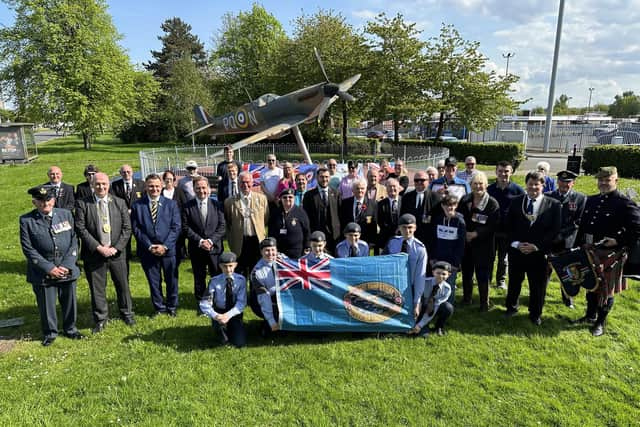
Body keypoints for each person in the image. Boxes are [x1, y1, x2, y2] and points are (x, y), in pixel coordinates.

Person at [573, 166, 640, 336]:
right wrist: (577, 246)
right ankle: (589, 315)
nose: (603, 183)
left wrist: (618, 240)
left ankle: (600, 323)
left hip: (611, 254)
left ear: (615, 181)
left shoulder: (624, 203)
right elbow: (583, 226)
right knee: (590, 284)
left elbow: (637, 228)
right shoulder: (592, 200)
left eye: (607, 180)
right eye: (600, 180)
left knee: (605, 290)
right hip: (590, 250)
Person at [20, 185, 84, 346]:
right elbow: (28, 249)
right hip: (43, 271)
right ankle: (50, 333)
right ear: (34, 202)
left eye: (48, 200)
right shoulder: (27, 220)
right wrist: (49, 268)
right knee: (46, 305)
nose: (45, 204)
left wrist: (68, 264)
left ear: (53, 200)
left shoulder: (66, 214)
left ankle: (71, 329)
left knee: (69, 301)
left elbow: (74, 240)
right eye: (41, 201)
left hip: (66, 267)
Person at [75, 172, 135, 333]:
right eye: (98, 184)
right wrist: (99, 247)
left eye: (104, 184)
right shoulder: (82, 203)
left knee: (123, 285)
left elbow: (127, 228)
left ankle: (127, 313)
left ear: (109, 184)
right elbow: (80, 228)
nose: (101, 187)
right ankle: (101, 318)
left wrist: (116, 248)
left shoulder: (119, 202)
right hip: (94, 254)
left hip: (117, 253)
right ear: (92, 185)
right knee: (97, 288)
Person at [504, 171, 561, 325]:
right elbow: (508, 226)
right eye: (530, 184)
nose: (533, 187)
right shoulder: (516, 202)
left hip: (539, 254)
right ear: (526, 184)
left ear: (543, 186)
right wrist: (516, 244)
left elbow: (554, 230)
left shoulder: (553, 205)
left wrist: (537, 246)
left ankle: (535, 313)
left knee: (538, 285)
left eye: (537, 184)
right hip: (518, 251)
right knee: (514, 281)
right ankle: (511, 307)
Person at [131, 174, 182, 317]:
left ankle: (172, 307)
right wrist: (149, 246)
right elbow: (136, 229)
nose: (154, 189)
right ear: (146, 187)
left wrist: (164, 246)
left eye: (157, 186)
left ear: (162, 187)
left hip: (168, 250)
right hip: (148, 251)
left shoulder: (171, 204)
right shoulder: (137, 205)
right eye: (151, 186)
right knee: (154, 281)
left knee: (171, 279)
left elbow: (176, 227)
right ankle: (159, 308)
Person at [458, 172, 500, 310]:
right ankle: (466, 299)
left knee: (482, 274)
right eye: (475, 183)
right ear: (471, 185)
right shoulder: (465, 200)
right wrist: (465, 233)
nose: (478, 186)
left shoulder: (492, 203)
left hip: (484, 245)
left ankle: (484, 303)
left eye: (481, 183)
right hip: (467, 244)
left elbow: (493, 225)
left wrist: (476, 233)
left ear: (486, 185)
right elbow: (459, 218)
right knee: (467, 273)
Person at [546, 170, 586, 309]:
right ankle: (541, 294)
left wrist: (562, 234)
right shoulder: (548, 196)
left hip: (568, 241)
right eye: (562, 181)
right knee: (546, 269)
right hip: (550, 241)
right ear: (557, 182)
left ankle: (568, 298)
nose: (564, 184)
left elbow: (579, 221)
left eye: (568, 182)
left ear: (573, 183)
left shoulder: (580, 198)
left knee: (569, 272)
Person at [182, 176, 226, 302]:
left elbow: (222, 226)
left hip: (215, 248)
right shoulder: (187, 207)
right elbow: (185, 227)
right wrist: (200, 241)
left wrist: (211, 241)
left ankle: (217, 300)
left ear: (209, 189)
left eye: (204, 187)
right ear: (194, 189)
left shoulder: (218, 205)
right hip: (197, 248)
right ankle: (202, 302)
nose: (201, 190)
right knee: (199, 277)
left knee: (216, 275)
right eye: (198, 188)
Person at [487, 160, 525, 289]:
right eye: (500, 171)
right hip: (491, 230)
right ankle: (487, 280)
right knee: (490, 257)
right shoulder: (489, 190)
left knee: (504, 259)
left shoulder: (518, 191)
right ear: (496, 172)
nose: (503, 174)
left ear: (512, 172)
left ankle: (501, 281)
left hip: (508, 231)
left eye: (506, 171)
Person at [383, 213, 427, 320]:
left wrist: (417, 302)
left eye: (410, 227)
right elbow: (382, 264)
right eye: (404, 228)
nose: (407, 231)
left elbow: (420, 276)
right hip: (391, 285)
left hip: (409, 287)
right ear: (399, 228)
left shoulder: (420, 248)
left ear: (415, 228)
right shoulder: (392, 243)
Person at [224, 171, 269, 277]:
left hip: (256, 240)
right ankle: (241, 293)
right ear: (238, 183)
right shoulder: (229, 202)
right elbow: (228, 221)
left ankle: (255, 293)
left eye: (248, 182)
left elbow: (265, 218)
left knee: (257, 272)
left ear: (252, 182)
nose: (245, 185)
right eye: (242, 182)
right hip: (240, 241)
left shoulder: (262, 199)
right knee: (240, 272)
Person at [199, 252, 247, 348]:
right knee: (223, 340)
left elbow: (241, 303)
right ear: (220, 266)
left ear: (235, 265)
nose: (228, 269)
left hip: (234, 312)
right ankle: (220, 330)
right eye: (225, 266)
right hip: (219, 312)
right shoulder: (214, 281)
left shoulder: (241, 280)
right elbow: (204, 303)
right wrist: (216, 316)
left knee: (239, 342)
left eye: (230, 266)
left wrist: (228, 315)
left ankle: (234, 328)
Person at [428, 194, 466, 305]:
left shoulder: (460, 222)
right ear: (442, 206)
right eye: (447, 205)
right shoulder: (438, 219)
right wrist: (432, 257)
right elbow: (433, 240)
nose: (450, 208)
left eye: (453, 205)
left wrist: (456, 263)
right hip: (438, 259)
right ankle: (434, 307)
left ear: (456, 206)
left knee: (449, 285)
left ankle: (447, 308)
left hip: (451, 262)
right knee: (436, 284)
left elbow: (461, 245)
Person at [408, 261, 454, 337]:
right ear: (433, 272)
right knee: (421, 335)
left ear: (449, 275)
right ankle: (417, 325)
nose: (440, 276)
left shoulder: (447, 289)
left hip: (431, 310)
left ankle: (438, 327)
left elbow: (435, 307)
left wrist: (420, 325)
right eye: (438, 273)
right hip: (419, 309)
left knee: (448, 307)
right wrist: (415, 322)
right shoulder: (424, 282)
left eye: (444, 274)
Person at [302, 167, 341, 255]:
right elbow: (306, 218)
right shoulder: (309, 195)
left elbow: (341, 214)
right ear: (317, 178)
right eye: (322, 177)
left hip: (334, 236)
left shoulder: (336, 194)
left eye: (326, 177)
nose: (324, 179)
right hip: (316, 235)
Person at [249, 238, 281, 336]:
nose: (270, 253)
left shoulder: (284, 261)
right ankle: (268, 325)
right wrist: (272, 321)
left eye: (273, 250)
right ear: (261, 252)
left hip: (279, 296)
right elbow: (264, 297)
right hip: (262, 300)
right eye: (267, 250)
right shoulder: (256, 272)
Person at [268, 188, 310, 259]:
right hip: (279, 253)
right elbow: (270, 232)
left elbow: (307, 231)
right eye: (285, 197)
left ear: (294, 198)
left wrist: (307, 247)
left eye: (290, 197)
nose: (288, 199)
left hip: (297, 252)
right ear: (281, 199)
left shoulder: (301, 212)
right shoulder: (275, 213)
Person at [339, 178, 378, 252]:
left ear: (365, 189)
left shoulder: (373, 204)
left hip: (366, 244)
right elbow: (342, 223)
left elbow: (374, 227)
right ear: (352, 190)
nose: (360, 191)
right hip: (348, 243)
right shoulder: (345, 203)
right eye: (357, 188)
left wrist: (372, 245)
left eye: (362, 188)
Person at [400, 170, 438, 246]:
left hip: (429, 237)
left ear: (428, 181)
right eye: (416, 180)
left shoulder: (435, 197)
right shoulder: (407, 197)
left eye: (422, 180)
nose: (419, 182)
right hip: (410, 235)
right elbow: (403, 214)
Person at [377, 178, 402, 250]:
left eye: (394, 186)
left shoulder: (405, 201)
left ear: (399, 188)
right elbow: (380, 222)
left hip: (402, 237)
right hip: (386, 239)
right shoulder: (380, 204)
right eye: (389, 186)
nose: (392, 188)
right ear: (386, 189)